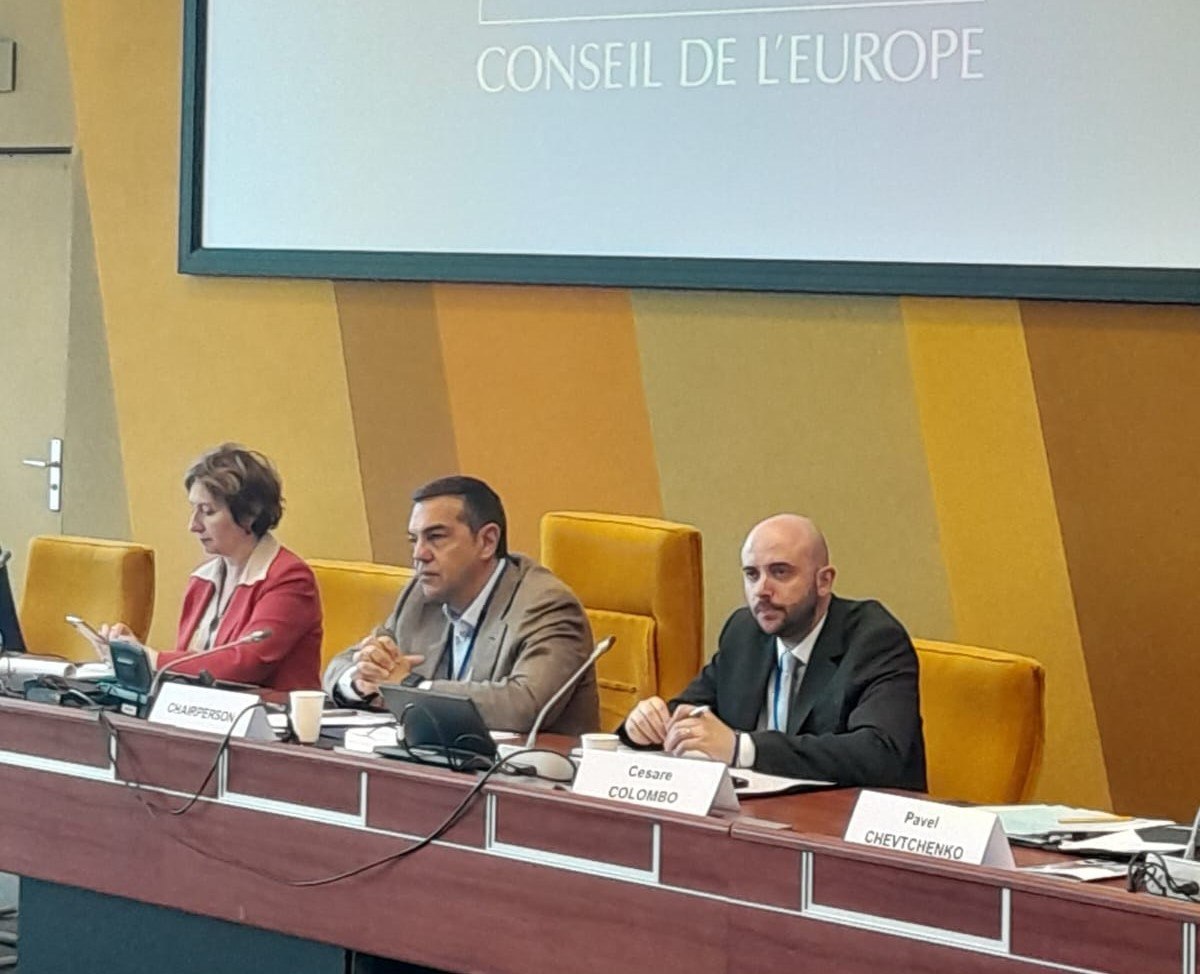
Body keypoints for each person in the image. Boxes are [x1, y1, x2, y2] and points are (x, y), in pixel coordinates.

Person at [621, 514, 925, 789]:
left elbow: (879, 753)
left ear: (824, 581)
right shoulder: (744, 633)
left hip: (845, 819)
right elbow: (691, 712)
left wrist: (743, 749)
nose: (761, 591)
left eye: (780, 573)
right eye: (751, 575)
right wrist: (644, 728)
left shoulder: (874, 639)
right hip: (756, 817)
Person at [323, 476, 599, 735]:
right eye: (414, 540)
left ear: (487, 541)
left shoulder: (545, 605)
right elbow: (341, 665)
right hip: (436, 760)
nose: (419, 554)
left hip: (532, 766)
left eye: (436, 537)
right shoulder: (420, 596)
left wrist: (410, 687)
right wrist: (361, 679)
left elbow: (524, 704)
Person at [102, 444, 322, 692]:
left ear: (249, 514)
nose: (193, 525)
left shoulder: (290, 578)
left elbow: (244, 664)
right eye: (193, 509)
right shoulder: (202, 579)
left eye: (207, 511)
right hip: (203, 711)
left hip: (268, 715)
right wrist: (131, 655)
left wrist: (152, 660)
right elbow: (189, 665)